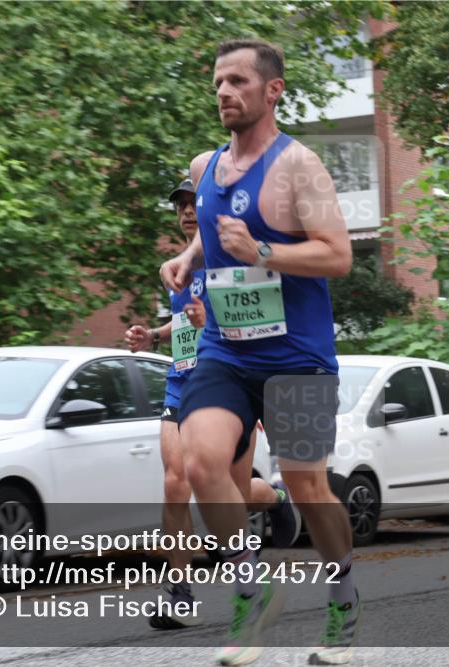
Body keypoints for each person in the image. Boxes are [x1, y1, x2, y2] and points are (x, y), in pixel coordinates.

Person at [160, 39, 358, 666]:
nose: (224, 92)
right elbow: (213, 238)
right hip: (226, 350)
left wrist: (263, 253)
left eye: (239, 81)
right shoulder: (204, 167)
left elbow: (338, 255)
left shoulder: (300, 168)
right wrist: (188, 256)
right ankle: (253, 590)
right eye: (218, 81)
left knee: (307, 488)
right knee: (200, 465)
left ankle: (343, 598)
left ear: (271, 90)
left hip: (297, 354)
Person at [125, 178, 301, 631]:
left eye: (192, 204)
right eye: (180, 206)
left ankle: (276, 498)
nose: (186, 212)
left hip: (226, 385)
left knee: (237, 496)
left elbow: (256, 316)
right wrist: (154, 336)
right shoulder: (178, 266)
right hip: (182, 380)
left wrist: (214, 320)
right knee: (174, 482)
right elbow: (184, 319)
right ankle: (179, 592)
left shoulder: (228, 257)